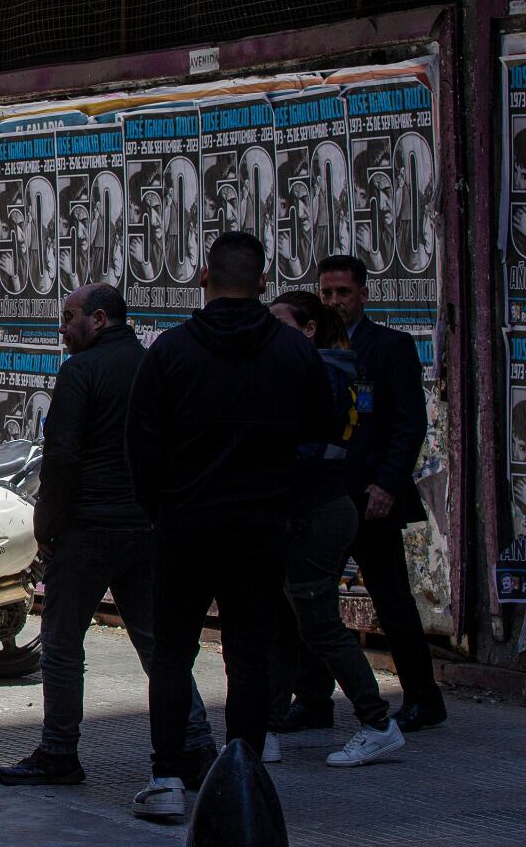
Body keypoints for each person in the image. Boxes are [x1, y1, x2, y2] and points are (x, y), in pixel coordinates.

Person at [125, 231, 336, 821]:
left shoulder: (170, 351)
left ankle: (167, 777)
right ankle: (240, 776)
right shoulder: (294, 353)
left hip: (185, 524)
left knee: (171, 654)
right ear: (264, 283)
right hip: (260, 527)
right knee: (248, 654)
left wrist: (160, 509)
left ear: (202, 277)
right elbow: (322, 428)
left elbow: (140, 445)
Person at [0, 283, 217, 788]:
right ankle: (197, 746)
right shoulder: (153, 366)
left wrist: (45, 522)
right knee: (160, 645)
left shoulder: (80, 371)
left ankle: (58, 751)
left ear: (99, 319)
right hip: (145, 527)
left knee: (61, 643)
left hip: (88, 530)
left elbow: (63, 456)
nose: (62, 327)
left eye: (70, 316)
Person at [282, 254, 444, 733]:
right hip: (323, 498)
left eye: (343, 293)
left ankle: (422, 698)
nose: (335, 301)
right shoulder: (308, 348)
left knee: (392, 601)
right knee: (311, 600)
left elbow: (407, 425)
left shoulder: (389, 347)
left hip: (371, 498)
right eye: (327, 293)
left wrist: (388, 485)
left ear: (363, 296)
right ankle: (312, 700)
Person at [264, 290, 404, 768]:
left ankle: (377, 721)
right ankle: (265, 727)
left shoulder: (320, 373)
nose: (269, 331)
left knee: (318, 623)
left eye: (279, 322)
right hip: (309, 508)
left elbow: (300, 446)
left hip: (317, 511)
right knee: (282, 624)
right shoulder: (327, 369)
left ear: (307, 330)